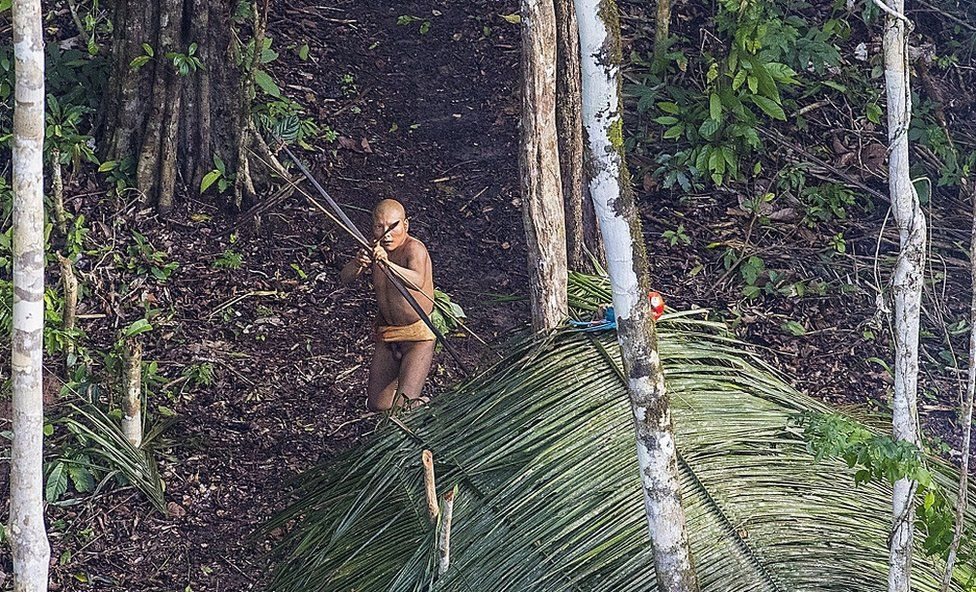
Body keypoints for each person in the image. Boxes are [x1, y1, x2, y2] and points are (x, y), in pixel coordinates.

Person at [340, 199, 436, 411]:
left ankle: (420, 410)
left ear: (406, 225)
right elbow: (344, 279)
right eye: (379, 227)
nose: (387, 234)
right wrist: (358, 263)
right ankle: (419, 407)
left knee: (403, 407)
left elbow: (417, 280)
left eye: (393, 226)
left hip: (417, 337)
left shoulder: (414, 249)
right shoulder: (374, 247)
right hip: (388, 334)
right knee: (378, 404)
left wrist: (387, 264)